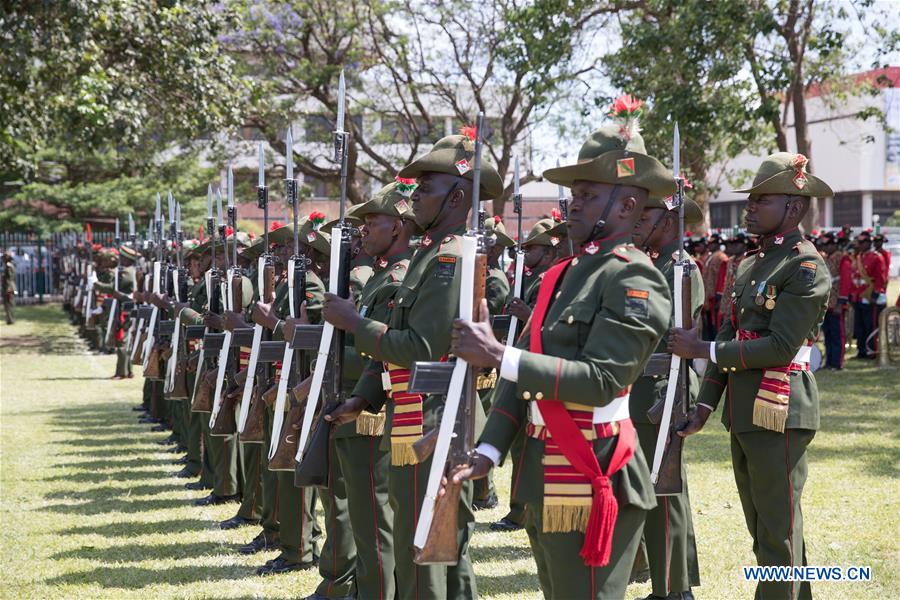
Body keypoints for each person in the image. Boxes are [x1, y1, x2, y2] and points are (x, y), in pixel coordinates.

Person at [450, 99, 674, 599]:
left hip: (593, 467)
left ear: (627, 205)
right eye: (575, 193)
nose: (573, 203)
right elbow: (524, 381)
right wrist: (488, 450)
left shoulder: (635, 276)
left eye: (589, 195)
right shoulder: (560, 275)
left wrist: (499, 356)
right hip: (541, 471)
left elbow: (602, 381)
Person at [322, 126, 504, 599]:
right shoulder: (429, 256)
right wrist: (363, 397)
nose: (415, 199)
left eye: (426, 189)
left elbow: (420, 346)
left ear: (458, 196)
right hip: (411, 415)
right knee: (429, 548)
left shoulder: (452, 258)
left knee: (425, 550)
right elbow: (396, 352)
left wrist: (353, 323)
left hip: (436, 421)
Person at [669, 152, 832, 600]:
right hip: (744, 411)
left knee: (778, 528)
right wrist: (704, 407)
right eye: (752, 200)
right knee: (763, 527)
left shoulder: (805, 266)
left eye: (761, 200)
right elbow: (730, 332)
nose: (749, 208)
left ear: (793, 208)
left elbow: (780, 346)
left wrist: (701, 350)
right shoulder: (749, 265)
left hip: (781, 410)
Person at [631, 193, 705, 600]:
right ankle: (672, 583)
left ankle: (672, 590)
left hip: (662, 390)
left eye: (649, 213)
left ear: (672, 219)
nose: (639, 219)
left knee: (664, 491)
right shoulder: (652, 263)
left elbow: (673, 332)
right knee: (658, 490)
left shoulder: (681, 269)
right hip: (643, 390)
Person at [848, 230, 887, 359]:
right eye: (858, 241)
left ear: (868, 243)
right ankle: (861, 351)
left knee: (871, 325)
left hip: (869, 296)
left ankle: (871, 351)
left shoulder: (876, 257)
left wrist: (875, 295)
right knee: (859, 326)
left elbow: (880, 279)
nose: (859, 244)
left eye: (861, 242)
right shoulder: (859, 257)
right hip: (858, 296)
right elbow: (854, 278)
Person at [818, 232, 851, 370]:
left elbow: (846, 281)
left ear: (833, 244)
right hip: (826, 303)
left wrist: (841, 302)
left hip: (837, 301)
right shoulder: (824, 258)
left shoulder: (843, 258)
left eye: (826, 245)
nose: (823, 247)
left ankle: (837, 363)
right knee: (828, 334)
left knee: (837, 335)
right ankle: (829, 362)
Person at [2, 251, 17, 324]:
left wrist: (8, 289)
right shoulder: (12, 265)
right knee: (11, 303)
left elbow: (9, 278)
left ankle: (10, 320)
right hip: (13, 287)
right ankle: (10, 319)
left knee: (8, 303)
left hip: (9, 288)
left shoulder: (8, 266)